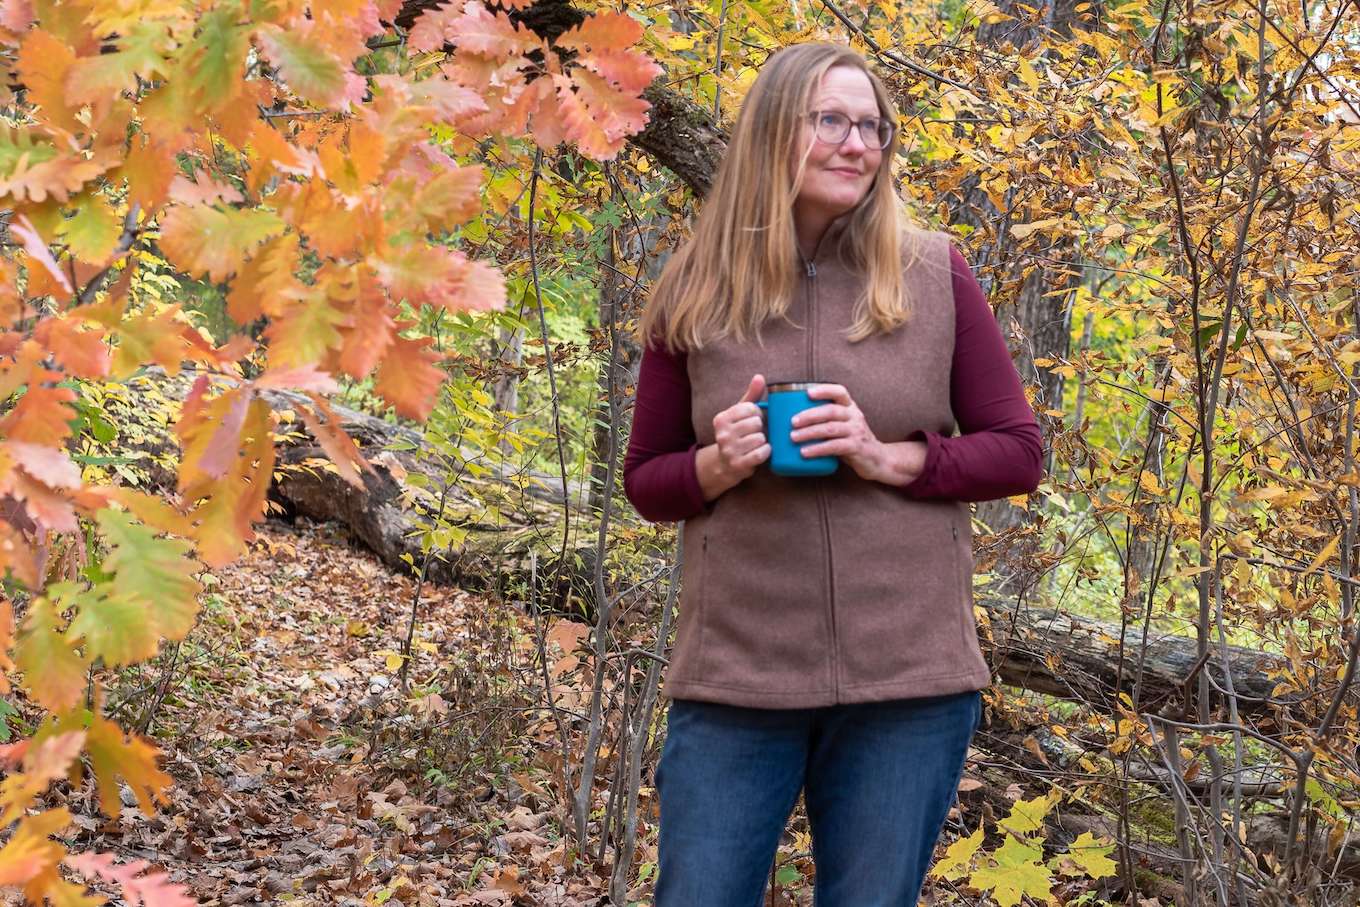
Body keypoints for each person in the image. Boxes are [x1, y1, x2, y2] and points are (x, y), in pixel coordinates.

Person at [622, 41, 1044, 906]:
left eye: (873, 126)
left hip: (908, 681)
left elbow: (1018, 450)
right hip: (737, 675)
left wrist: (891, 456)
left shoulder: (934, 272)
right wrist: (717, 462)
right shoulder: (694, 288)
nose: (858, 143)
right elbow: (645, 480)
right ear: (776, 131)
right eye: (831, 121)